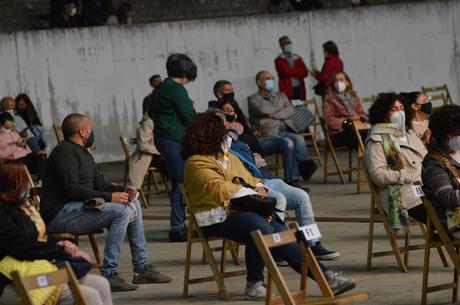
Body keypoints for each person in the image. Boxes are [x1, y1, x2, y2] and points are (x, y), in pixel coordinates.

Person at [182, 113, 356, 300]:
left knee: (278, 229)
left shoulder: (227, 157)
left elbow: (252, 178)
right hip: (214, 217)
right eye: (222, 133)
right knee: (262, 227)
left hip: (237, 210)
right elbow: (219, 188)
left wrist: (260, 187)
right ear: (211, 136)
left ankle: (326, 276)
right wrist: (251, 191)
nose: (227, 137)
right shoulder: (196, 162)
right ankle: (255, 283)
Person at [40, 113, 172, 292]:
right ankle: (109, 274)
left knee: (134, 205)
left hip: (78, 208)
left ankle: (141, 268)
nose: (92, 133)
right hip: (59, 213)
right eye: (91, 129)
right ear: (83, 131)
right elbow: (72, 189)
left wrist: (123, 191)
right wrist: (110, 198)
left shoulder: (84, 153)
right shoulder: (64, 152)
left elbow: (99, 184)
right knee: (121, 211)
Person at [208, 108, 339, 260]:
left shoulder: (237, 140)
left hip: (264, 179)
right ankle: (278, 248)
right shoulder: (212, 148)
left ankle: (313, 243)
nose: (222, 126)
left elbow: (258, 147)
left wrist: (252, 153)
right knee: (278, 199)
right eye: (216, 123)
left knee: (302, 196)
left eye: (223, 122)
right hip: (247, 186)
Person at [0, 160, 112, 305]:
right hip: (12, 278)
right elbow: (20, 246)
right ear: (13, 183)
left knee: (101, 284)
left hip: (37, 267)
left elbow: (39, 239)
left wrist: (63, 244)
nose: (29, 185)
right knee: (89, 296)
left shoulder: (23, 207)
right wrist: (60, 249)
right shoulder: (3, 210)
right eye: (25, 181)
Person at [364, 93, 427, 232]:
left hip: (426, 187)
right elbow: (378, 175)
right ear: (383, 114)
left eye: (402, 108)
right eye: (394, 109)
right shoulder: (377, 140)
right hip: (405, 193)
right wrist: (403, 176)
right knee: (442, 215)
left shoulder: (409, 132)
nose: (400, 113)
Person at [152, 53, 197, 242]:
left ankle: (179, 224)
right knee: (181, 183)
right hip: (174, 139)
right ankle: (177, 227)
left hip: (164, 138)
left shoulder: (163, 87)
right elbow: (189, 116)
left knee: (179, 182)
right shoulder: (176, 89)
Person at [248, 70, 317, 187]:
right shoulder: (253, 99)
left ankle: (303, 166)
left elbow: (291, 110)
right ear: (259, 83)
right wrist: (281, 110)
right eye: (267, 78)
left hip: (283, 131)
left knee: (298, 139)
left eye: (271, 78)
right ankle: (292, 179)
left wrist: (274, 115)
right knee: (288, 143)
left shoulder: (281, 95)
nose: (271, 80)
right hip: (267, 135)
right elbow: (264, 110)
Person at [422, 105, 460, 238]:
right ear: (443, 134)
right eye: (457, 133)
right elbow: (447, 197)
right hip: (454, 220)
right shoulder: (434, 162)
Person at [210, 80, 264, 156]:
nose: (231, 93)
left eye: (232, 90)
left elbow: (244, 122)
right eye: (228, 90)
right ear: (219, 94)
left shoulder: (234, 104)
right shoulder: (215, 110)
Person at [323, 71, 368, 148]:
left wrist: (359, 117)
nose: (338, 83)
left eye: (341, 80)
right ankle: (366, 157)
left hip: (356, 127)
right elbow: (329, 119)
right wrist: (346, 120)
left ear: (347, 82)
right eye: (336, 81)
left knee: (371, 134)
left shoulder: (354, 97)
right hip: (339, 132)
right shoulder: (329, 98)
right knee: (360, 137)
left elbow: (362, 113)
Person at [128, 110, 168, 190]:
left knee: (175, 160)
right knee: (172, 163)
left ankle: (179, 188)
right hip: (147, 157)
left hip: (155, 155)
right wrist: (161, 150)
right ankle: (179, 188)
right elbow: (143, 146)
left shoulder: (157, 121)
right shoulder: (148, 123)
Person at [0, 113, 45, 177]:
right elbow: (1, 155)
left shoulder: (15, 133)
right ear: (1, 125)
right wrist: (15, 146)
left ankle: (42, 180)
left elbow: (28, 150)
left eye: (10, 128)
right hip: (15, 160)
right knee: (39, 160)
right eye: (6, 128)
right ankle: (41, 180)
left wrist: (24, 145)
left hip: (25, 156)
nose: (9, 131)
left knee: (42, 155)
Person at [274, 36, 309, 100]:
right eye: (285, 43)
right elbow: (287, 72)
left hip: (300, 89)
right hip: (287, 90)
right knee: (290, 108)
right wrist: (299, 70)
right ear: (281, 46)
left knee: (301, 108)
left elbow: (305, 72)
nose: (288, 45)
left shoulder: (297, 58)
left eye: (289, 42)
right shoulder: (279, 60)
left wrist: (296, 73)